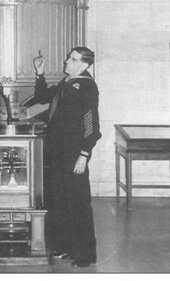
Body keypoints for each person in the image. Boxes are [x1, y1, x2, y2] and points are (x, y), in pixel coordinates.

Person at [33, 47, 101, 268]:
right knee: (59, 200)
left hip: (74, 153)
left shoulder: (87, 86)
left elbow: (91, 124)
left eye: (72, 59)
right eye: (69, 58)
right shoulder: (66, 82)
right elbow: (42, 97)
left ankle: (85, 254)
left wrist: (84, 154)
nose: (66, 61)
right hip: (58, 152)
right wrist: (40, 73)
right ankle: (64, 246)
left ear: (84, 65)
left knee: (78, 203)